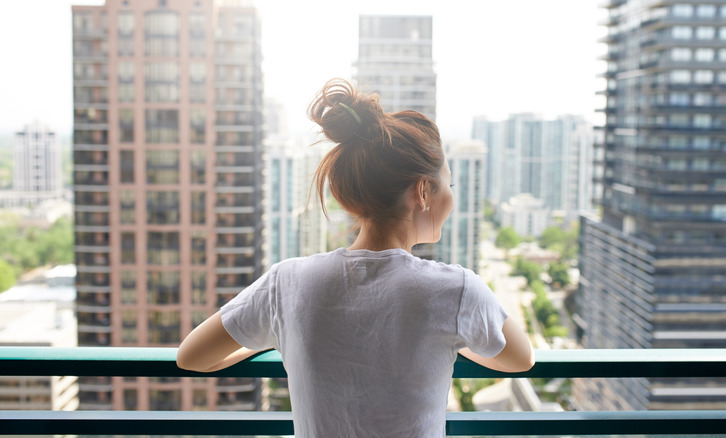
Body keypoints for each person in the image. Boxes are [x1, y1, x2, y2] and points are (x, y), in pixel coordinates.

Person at [177, 78, 535, 437]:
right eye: (449, 185)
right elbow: (520, 359)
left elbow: (191, 356)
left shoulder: (288, 283)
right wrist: (455, 340)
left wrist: (279, 340)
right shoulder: (456, 290)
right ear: (423, 191)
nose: (451, 198)